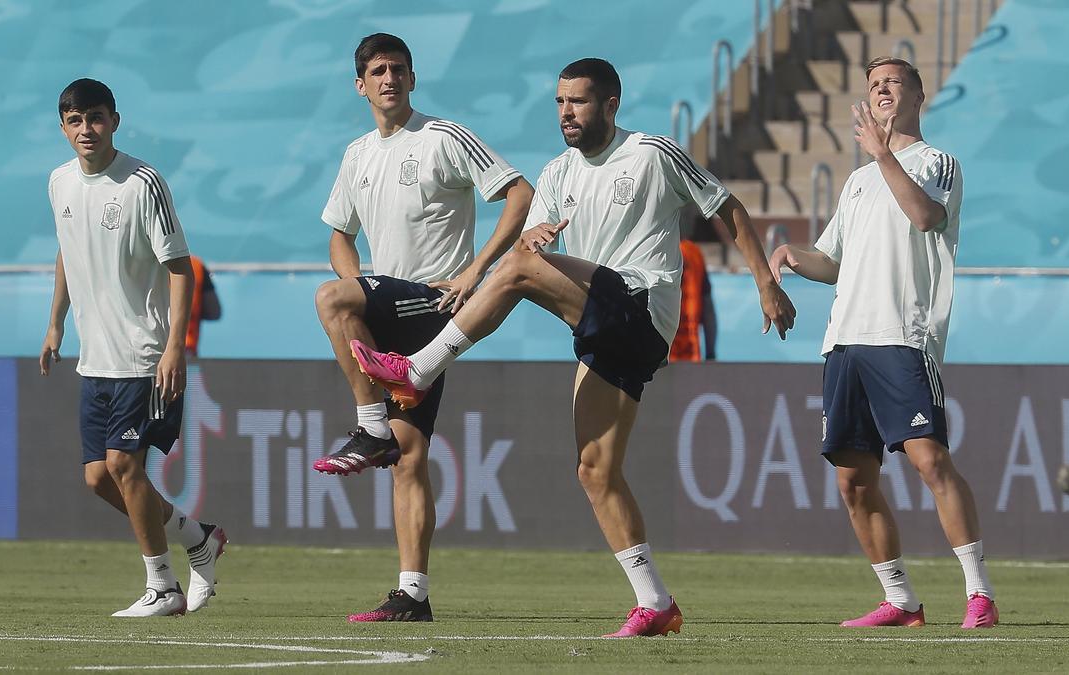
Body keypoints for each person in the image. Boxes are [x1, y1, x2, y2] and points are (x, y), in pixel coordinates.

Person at [350, 58, 795, 637]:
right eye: (560, 102)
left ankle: (419, 368)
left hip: (640, 305)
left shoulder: (653, 153)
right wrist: (533, 235)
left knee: (513, 271)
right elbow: (534, 235)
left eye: (579, 102)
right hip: (601, 332)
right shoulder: (558, 172)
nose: (566, 112)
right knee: (594, 470)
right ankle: (655, 603)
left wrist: (764, 282)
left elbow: (727, 207)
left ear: (610, 105)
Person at [769, 57, 997, 629]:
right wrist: (795, 257)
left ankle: (979, 594)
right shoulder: (857, 181)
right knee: (852, 479)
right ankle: (901, 602)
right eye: (873, 86)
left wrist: (883, 154)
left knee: (928, 459)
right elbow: (834, 263)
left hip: (903, 335)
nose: (881, 92)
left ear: (918, 96)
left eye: (892, 83)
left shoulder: (935, 163)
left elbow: (924, 218)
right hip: (845, 339)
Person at [313, 33, 533, 622]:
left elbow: (519, 194)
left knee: (330, 298)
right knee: (410, 456)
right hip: (387, 301)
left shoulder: (443, 137)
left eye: (399, 69)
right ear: (360, 85)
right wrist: (361, 285)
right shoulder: (357, 154)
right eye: (378, 71)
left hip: (433, 301)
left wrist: (475, 270)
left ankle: (368, 426)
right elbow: (339, 232)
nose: (389, 78)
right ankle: (413, 593)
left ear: (413, 78)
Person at [40, 78, 228, 617]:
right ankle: (199, 537)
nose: (86, 129)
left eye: (95, 118)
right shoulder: (58, 183)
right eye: (75, 121)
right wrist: (55, 324)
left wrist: (174, 347)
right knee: (99, 478)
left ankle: (162, 585)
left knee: (125, 465)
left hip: (144, 357)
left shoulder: (142, 183)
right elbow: (65, 253)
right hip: (94, 358)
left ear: (114, 121)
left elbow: (180, 269)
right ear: (63, 128)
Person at [669, 227, 716, 362]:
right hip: (690, 355)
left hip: (659, 358)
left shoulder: (653, 252)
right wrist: (710, 354)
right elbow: (708, 311)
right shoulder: (694, 253)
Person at [185, 255, 221, 357]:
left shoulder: (148, 264)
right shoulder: (196, 264)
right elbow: (214, 312)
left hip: (150, 348)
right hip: (187, 350)